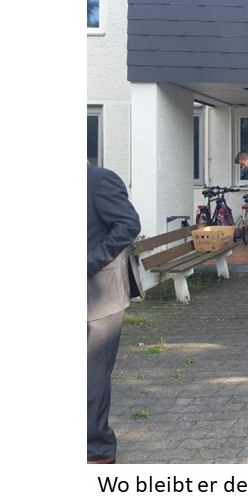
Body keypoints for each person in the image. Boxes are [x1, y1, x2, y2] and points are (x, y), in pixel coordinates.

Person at [87, 162, 142, 463]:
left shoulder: (99, 179)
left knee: (91, 379)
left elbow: (128, 225)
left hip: (100, 298)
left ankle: (97, 451)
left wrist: (88, 262)